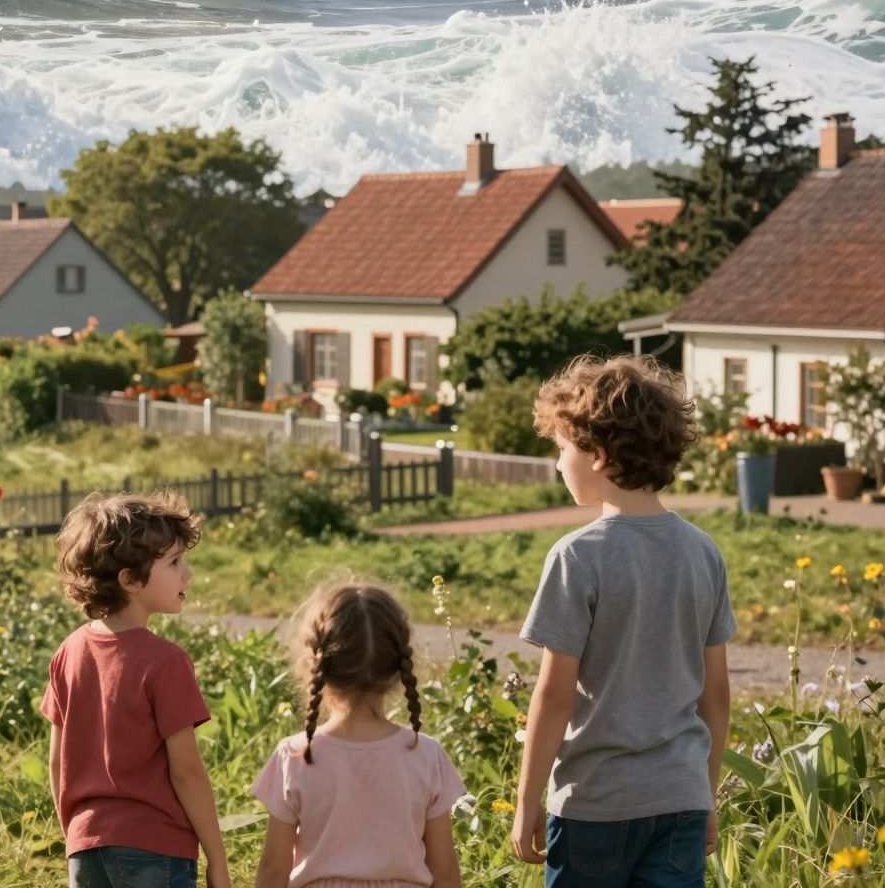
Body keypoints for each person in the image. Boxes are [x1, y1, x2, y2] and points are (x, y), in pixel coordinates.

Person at [509, 355, 734, 888]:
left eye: (562, 449)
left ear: (599, 455)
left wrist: (526, 801)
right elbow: (717, 692)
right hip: (680, 799)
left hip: (595, 804)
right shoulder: (703, 552)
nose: (558, 463)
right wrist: (705, 793)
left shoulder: (576, 557)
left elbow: (555, 696)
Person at [43, 493, 229, 888]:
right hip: (156, 848)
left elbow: (57, 760)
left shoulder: (69, 651)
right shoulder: (166, 662)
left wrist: (76, 833)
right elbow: (188, 772)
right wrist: (218, 858)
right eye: (174, 562)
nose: (187, 573)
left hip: (86, 845)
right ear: (129, 579)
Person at [251, 582, 466, 888]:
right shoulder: (426, 755)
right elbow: (444, 873)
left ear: (315, 661)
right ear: (398, 665)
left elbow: (273, 872)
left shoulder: (295, 755)